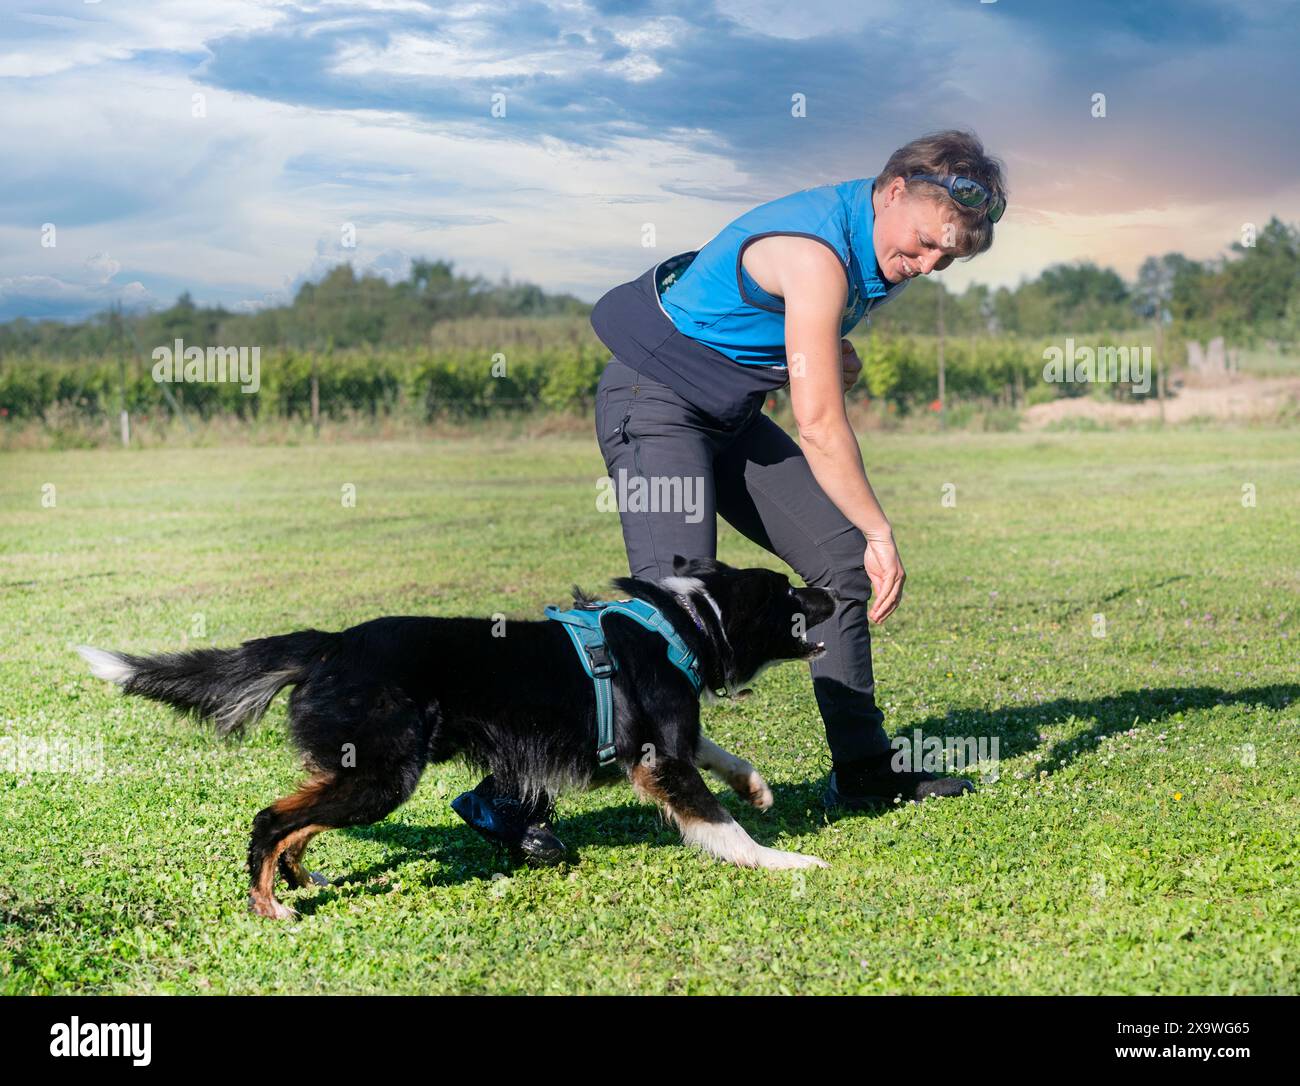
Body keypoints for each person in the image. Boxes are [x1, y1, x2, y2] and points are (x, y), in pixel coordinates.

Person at [454, 130, 1007, 862]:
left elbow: (778, 327)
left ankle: (865, 770)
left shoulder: (871, 242)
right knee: (664, 609)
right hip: (654, 402)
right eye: (926, 244)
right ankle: (506, 796)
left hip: (728, 414)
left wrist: (825, 347)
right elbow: (816, 421)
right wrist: (880, 527)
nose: (929, 264)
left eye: (948, 258)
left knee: (837, 561)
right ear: (896, 189)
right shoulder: (816, 252)